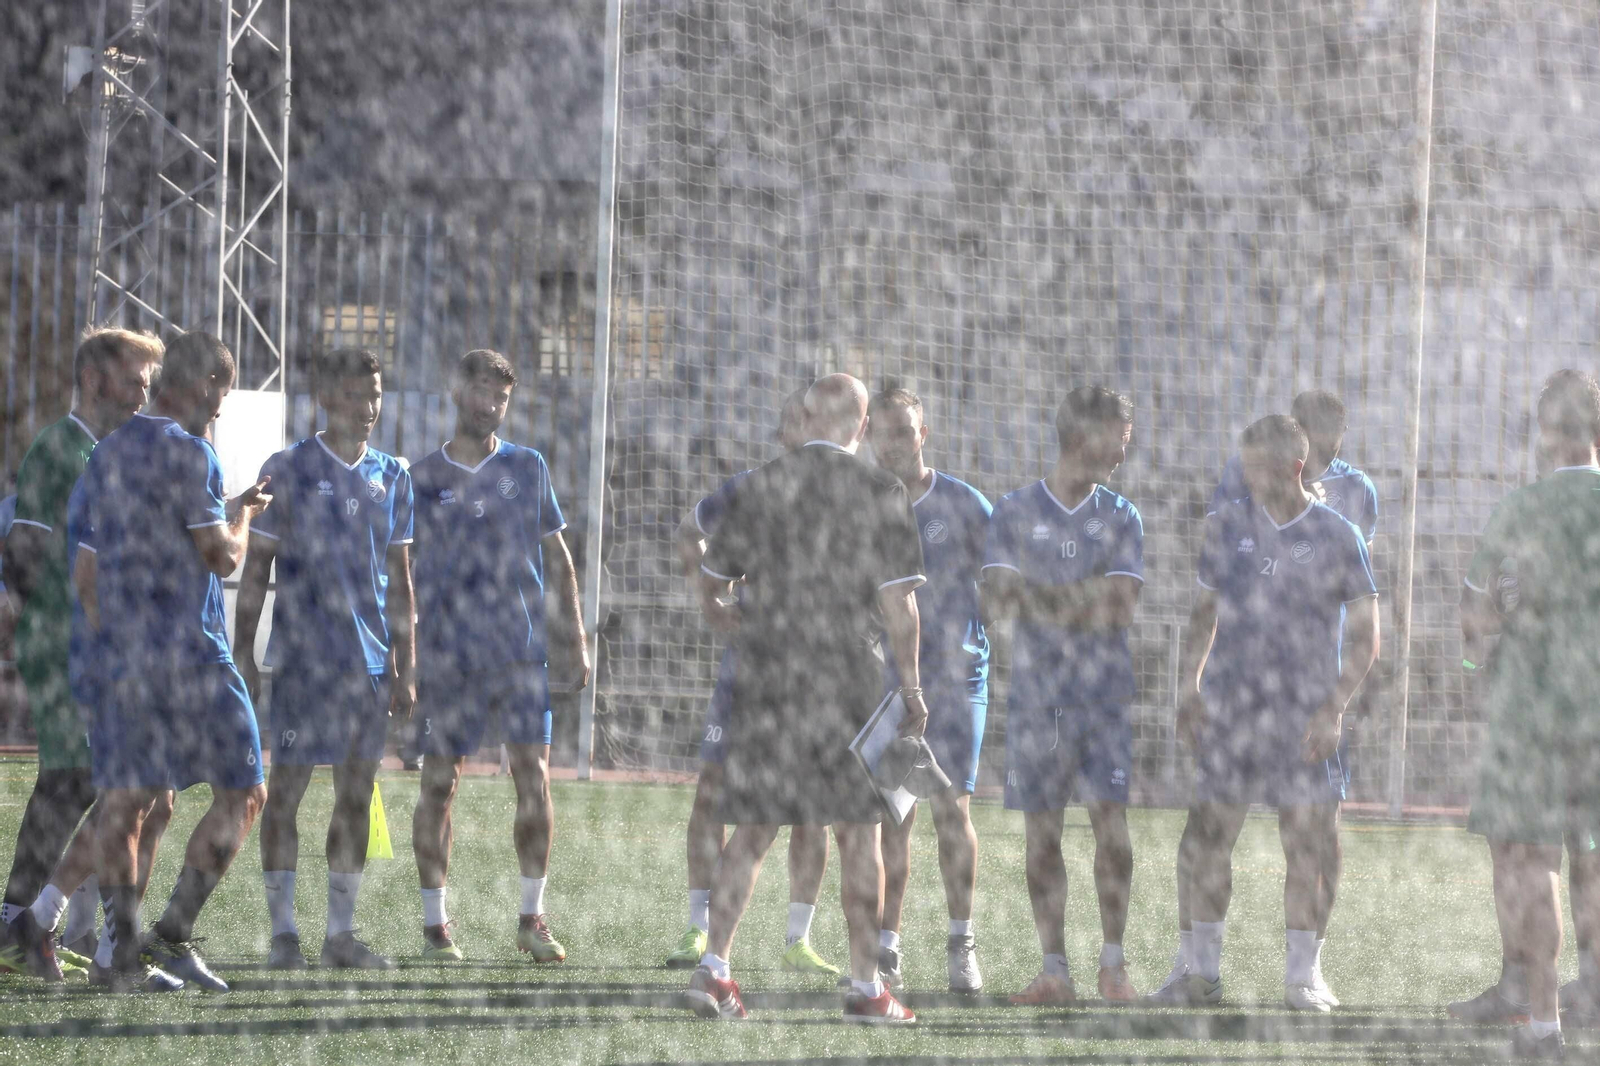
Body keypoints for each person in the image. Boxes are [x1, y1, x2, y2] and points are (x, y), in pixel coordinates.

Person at [681, 373, 926, 1024]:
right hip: (847, 677)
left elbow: (710, 581)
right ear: (863, 425)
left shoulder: (762, 485)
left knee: (754, 828)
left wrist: (728, 614)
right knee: (860, 835)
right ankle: (867, 986)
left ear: (811, 415)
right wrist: (913, 689)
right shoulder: (881, 489)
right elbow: (901, 605)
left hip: (767, 677)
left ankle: (715, 970)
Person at [1152, 389, 1378, 1007]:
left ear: (1292, 468)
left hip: (1305, 715)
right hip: (1232, 711)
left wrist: (1334, 706)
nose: (1245, 479)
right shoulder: (1228, 527)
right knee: (1205, 838)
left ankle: (1304, 976)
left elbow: (1367, 637)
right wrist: (1190, 685)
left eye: (1256, 468)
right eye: (1244, 466)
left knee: (1308, 844)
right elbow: (1204, 615)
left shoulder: (1338, 534)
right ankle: (1199, 972)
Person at [78, 330, 273, 992]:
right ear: (204, 384)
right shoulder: (193, 454)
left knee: (128, 802)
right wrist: (242, 516)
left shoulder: (104, 453)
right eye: (221, 390)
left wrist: (113, 643)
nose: (220, 407)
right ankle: (170, 935)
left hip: (128, 656)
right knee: (246, 792)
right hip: (193, 654)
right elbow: (221, 556)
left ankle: (119, 956)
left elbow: (86, 571)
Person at [406, 350, 590, 962]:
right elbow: (400, 570)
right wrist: (405, 650)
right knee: (439, 784)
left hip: (519, 653)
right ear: (457, 392)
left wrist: (576, 638)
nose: (490, 404)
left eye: (501, 397)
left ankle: (531, 919)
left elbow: (558, 555)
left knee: (534, 780)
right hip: (448, 655)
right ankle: (436, 927)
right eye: (481, 391)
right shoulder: (422, 477)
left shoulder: (527, 465)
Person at [235, 347, 415, 971]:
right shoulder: (286, 469)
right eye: (357, 395)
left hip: (365, 670)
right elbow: (256, 569)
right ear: (326, 399)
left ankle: (341, 935)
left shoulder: (393, 475)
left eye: (376, 394)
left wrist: (404, 663)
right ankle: (284, 934)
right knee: (283, 794)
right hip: (302, 664)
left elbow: (401, 578)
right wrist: (244, 647)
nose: (369, 407)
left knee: (355, 797)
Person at [0, 327, 163, 977]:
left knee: (89, 782)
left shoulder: (104, 451)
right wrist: (61, 623)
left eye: (149, 385)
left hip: (92, 645)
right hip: (61, 642)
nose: (142, 397)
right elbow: (27, 552)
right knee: (72, 779)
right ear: (95, 380)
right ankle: (18, 924)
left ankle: (36, 923)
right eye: (133, 381)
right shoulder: (58, 448)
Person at [664, 387, 838, 978]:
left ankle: (798, 938)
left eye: (810, 420)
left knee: (815, 806)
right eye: (794, 420)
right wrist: (713, 607)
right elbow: (689, 535)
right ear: (783, 432)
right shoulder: (750, 488)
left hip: (817, 673)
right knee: (713, 790)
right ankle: (697, 925)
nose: (804, 430)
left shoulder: (843, 492)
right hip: (751, 668)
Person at [1451, 369, 1600, 1059]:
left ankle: (1539, 1015)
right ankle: (1593, 988)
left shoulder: (1520, 509)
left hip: (1528, 711)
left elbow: (1475, 619)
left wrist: (1476, 665)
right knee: (1591, 852)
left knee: (1528, 856)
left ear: (1550, 433)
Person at [983, 385, 1144, 1006]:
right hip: (1038, 697)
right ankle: (1055, 969)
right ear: (1084, 433)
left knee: (1112, 826)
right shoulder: (1015, 510)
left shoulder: (1123, 515)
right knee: (1041, 835)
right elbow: (997, 596)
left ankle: (1113, 965)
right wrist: (1081, 595)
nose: (1123, 454)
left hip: (1102, 697)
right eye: (1117, 441)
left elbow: (1120, 606)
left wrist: (1040, 593)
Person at [868, 387, 991, 994]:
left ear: (925, 434)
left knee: (952, 811)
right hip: (887, 681)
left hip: (956, 681)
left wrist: (977, 638)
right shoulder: (864, 503)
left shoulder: (965, 504)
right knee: (893, 815)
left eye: (905, 430)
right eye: (884, 431)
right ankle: (886, 948)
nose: (895, 441)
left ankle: (960, 943)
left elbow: (1000, 584)